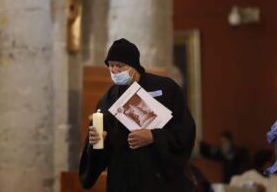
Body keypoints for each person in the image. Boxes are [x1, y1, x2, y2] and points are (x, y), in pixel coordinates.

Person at [79, 38, 196, 192]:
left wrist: (154, 137)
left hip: (158, 182)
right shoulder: (107, 100)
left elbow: (185, 132)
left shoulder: (165, 88)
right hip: (121, 182)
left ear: (134, 65)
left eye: (120, 66)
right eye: (111, 65)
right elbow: (100, 155)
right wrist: (95, 143)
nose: (115, 71)